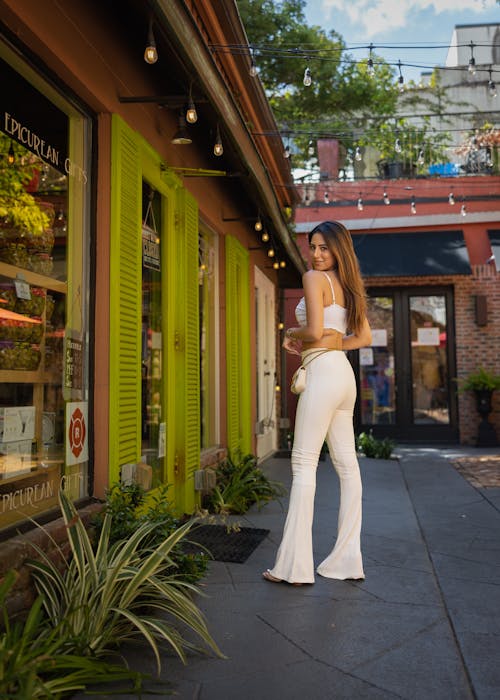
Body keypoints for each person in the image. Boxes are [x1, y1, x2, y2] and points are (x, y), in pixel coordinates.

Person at [263, 220, 372, 586]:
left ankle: (294, 567)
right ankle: (347, 560)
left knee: (304, 464)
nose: (317, 254)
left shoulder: (312, 278)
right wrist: (334, 340)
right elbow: (363, 336)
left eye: (325, 247)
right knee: (347, 468)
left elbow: (310, 332)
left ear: (339, 248)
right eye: (313, 247)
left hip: (323, 374)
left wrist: (289, 333)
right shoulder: (349, 285)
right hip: (344, 376)